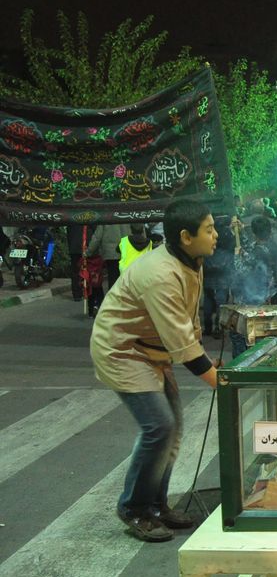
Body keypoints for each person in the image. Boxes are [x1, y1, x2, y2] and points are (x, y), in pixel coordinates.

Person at [90, 199, 219, 542]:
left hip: (153, 350)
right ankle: (134, 507)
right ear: (186, 237)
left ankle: (157, 505)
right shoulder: (160, 274)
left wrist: (209, 362)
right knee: (159, 426)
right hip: (123, 350)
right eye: (209, 230)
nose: (216, 235)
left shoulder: (192, 261)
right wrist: (221, 383)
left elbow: (188, 323)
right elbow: (184, 347)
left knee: (172, 428)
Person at [229, 215, 277, 357]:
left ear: (253, 232)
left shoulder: (258, 252)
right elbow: (249, 248)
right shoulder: (271, 247)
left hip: (251, 298)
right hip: (265, 296)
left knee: (241, 335)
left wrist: (237, 255)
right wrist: (241, 233)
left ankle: (242, 365)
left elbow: (242, 271)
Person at [87, 223, 129, 292]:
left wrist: (88, 252)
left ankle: (113, 297)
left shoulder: (106, 218)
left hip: (111, 253)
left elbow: (97, 237)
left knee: (113, 279)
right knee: (126, 279)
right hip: (127, 251)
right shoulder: (126, 216)